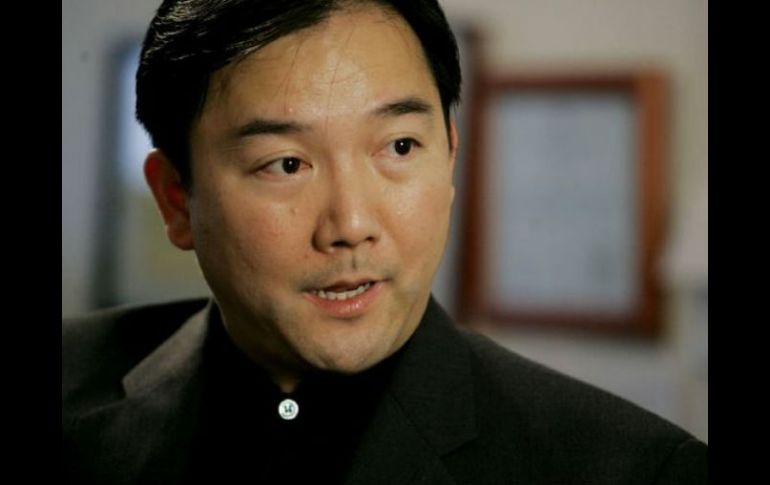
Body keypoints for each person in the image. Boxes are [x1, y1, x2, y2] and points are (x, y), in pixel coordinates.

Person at [62, 0, 707, 483]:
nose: (350, 225)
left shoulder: (638, 471)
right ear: (177, 199)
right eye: (286, 163)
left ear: (449, 159)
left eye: (399, 147)